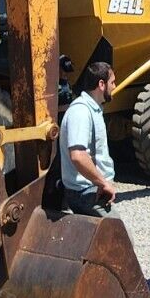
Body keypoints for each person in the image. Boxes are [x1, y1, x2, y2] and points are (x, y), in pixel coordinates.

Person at [58, 61, 117, 215]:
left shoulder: (92, 110)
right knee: (116, 236)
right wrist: (103, 183)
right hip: (86, 193)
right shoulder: (81, 112)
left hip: (93, 190)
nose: (115, 87)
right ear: (101, 84)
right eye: (113, 82)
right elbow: (78, 156)